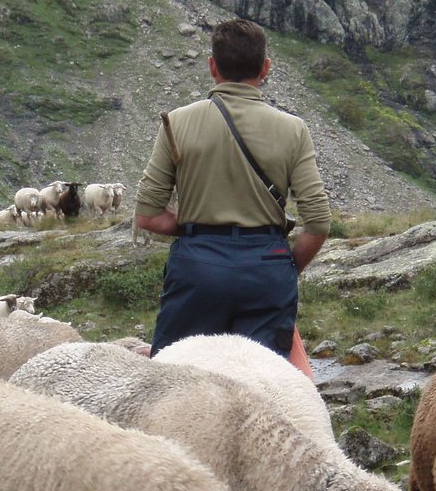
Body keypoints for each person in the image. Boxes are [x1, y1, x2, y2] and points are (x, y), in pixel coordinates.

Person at [133, 18, 332, 359]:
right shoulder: (293, 129)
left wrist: (200, 226)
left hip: (196, 267)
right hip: (266, 269)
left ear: (212, 67)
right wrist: (283, 266)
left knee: (175, 382)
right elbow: (319, 223)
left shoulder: (176, 122)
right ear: (265, 67)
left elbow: (148, 217)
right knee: (262, 390)